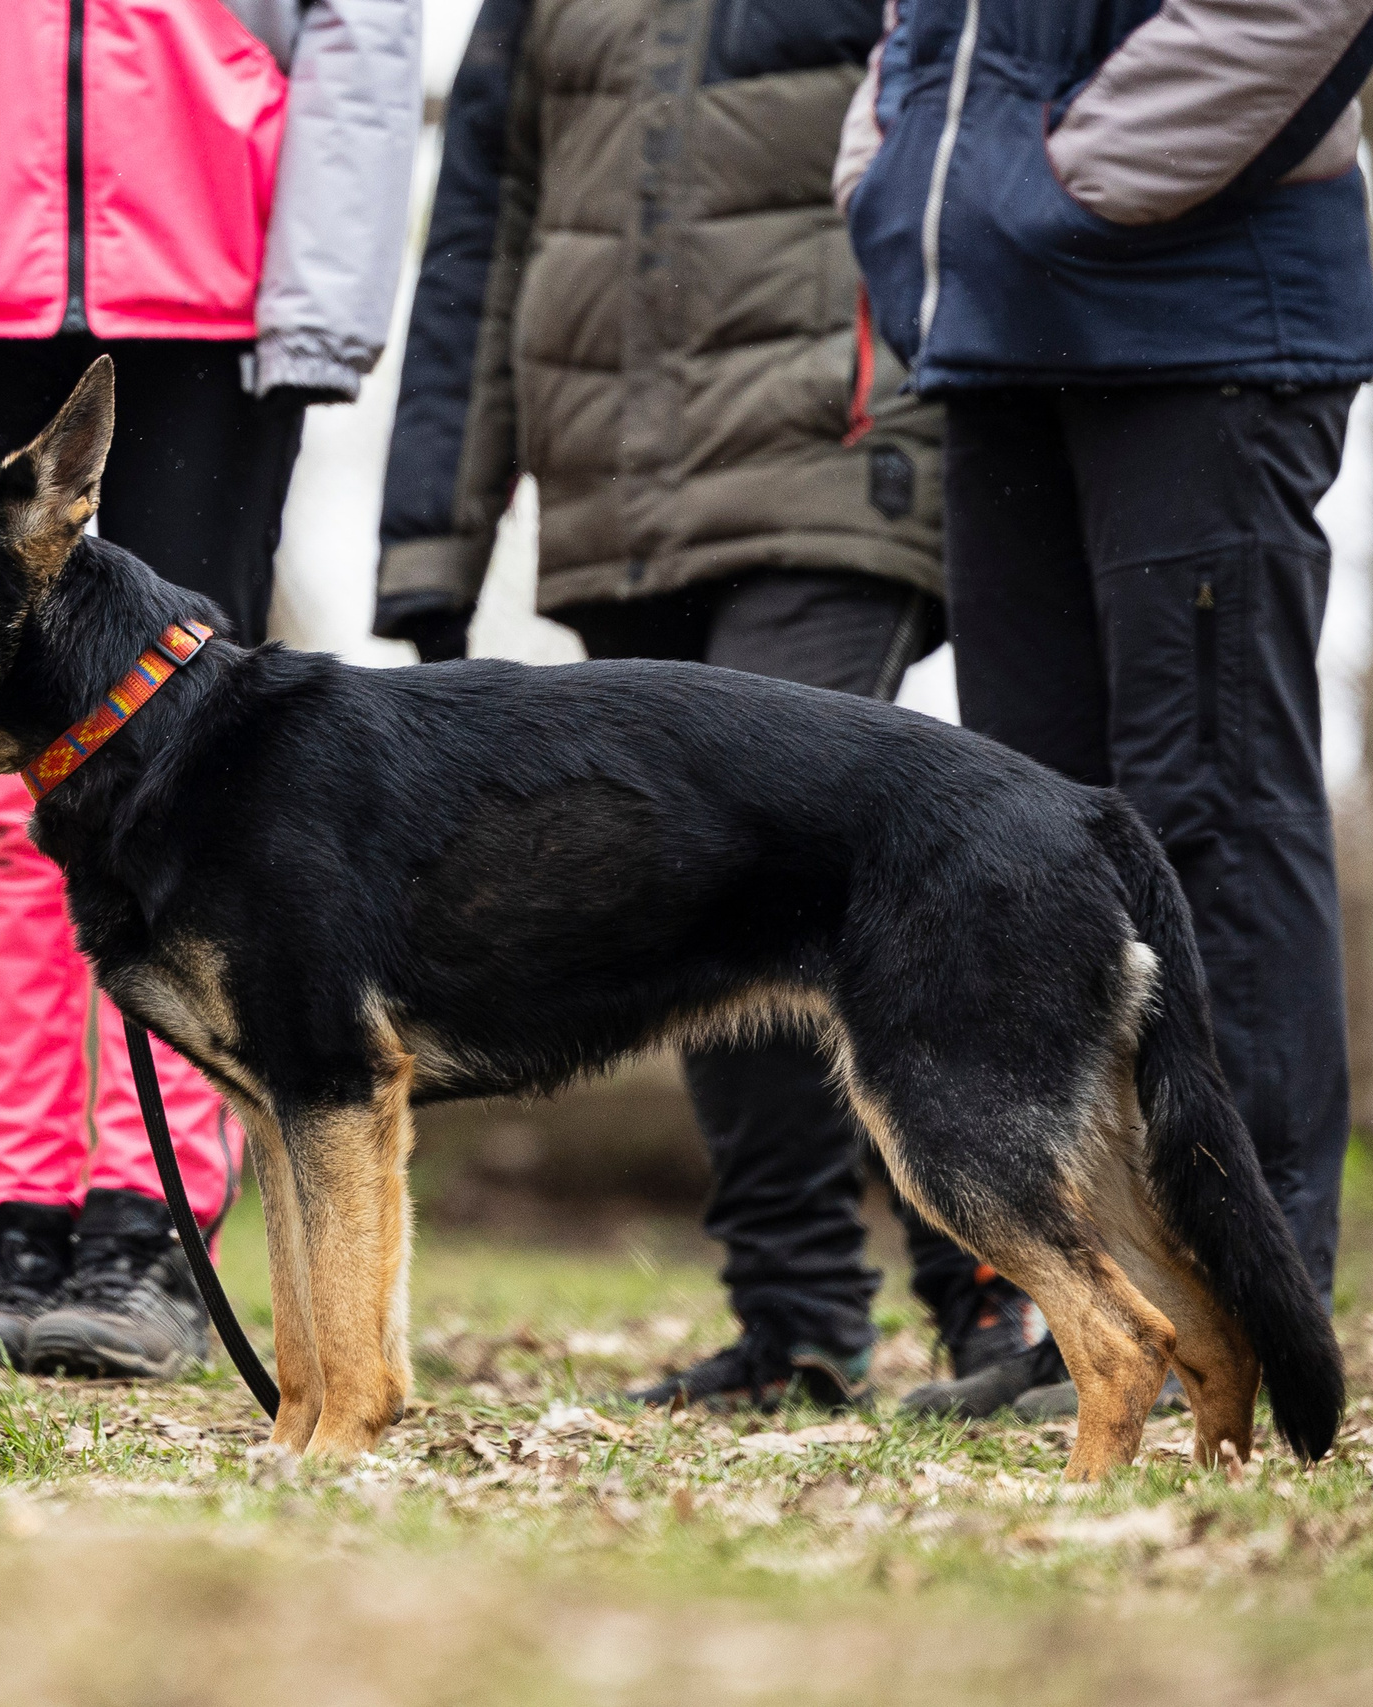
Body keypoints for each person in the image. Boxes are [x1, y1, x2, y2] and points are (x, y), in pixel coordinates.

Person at [376, 0, 1056, 1412]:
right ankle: (797, 1320)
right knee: (684, 910)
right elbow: (479, 244)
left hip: (834, 467)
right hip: (614, 501)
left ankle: (995, 1294)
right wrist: (432, 544)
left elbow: (957, 155)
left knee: (847, 883)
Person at [0, 0, 422, 1375]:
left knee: (198, 792)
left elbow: (361, 21)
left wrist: (324, 285)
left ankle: (153, 1232)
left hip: (210, 262)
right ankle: (18, 1222)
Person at [837, 0, 1373, 1407]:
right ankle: (1106, 1319)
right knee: (1043, 864)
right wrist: (901, 167)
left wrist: (1052, 182)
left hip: (1198, 320)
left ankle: (1257, 1302)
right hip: (1001, 338)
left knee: (1210, 810)